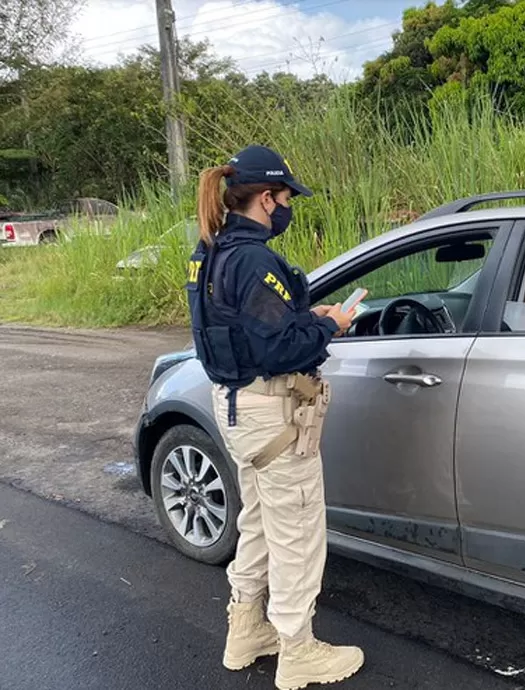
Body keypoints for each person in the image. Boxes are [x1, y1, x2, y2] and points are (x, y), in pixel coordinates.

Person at [187, 144, 364, 689]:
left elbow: (245, 326)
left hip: (239, 408)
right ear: (266, 198)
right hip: (274, 412)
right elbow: (281, 350)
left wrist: (304, 316)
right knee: (298, 533)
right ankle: (298, 650)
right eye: (286, 197)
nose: (288, 207)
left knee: (260, 523)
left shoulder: (209, 249)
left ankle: (246, 631)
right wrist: (330, 325)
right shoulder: (254, 258)